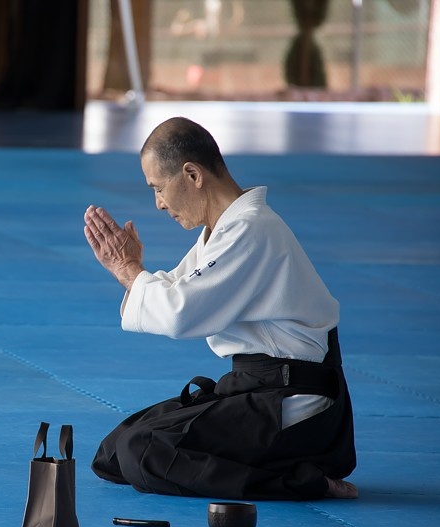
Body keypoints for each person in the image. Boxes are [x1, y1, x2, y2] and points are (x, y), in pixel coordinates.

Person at [83, 116, 357, 500]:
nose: (158, 204)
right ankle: (277, 464)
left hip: (291, 402)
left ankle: (303, 480)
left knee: (141, 451)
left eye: (158, 189)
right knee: (114, 451)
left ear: (192, 174)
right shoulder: (224, 230)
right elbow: (179, 288)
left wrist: (130, 270)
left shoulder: (251, 229)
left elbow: (181, 312)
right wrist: (127, 269)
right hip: (254, 390)